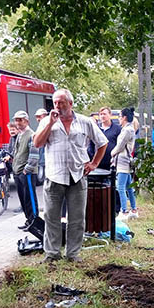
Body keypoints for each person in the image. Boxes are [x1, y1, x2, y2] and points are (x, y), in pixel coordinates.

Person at [33, 88, 108, 263]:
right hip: (54, 177)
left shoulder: (85, 121)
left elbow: (102, 143)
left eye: (61, 102)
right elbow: (37, 143)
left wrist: (94, 163)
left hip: (77, 176)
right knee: (51, 217)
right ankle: (52, 254)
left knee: (77, 219)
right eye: (55, 103)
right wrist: (50, 123)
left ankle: (72, 254)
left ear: (71, 103)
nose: (57, 106)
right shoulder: (46, 121)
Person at [12, 111, 40, 229]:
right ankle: (28, 221)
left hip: (27, 173)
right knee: (23, 198)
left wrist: (27, 170)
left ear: (26, 121)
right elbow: (17, 152)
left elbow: (34, 155)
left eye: (20, 120)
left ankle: (35, 222)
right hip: (18, 172)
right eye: (16, 120)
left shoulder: (31, 135)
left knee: (30, 199)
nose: (17, 122)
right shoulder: (19, 135)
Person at [111, 107, 138, 219]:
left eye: (120, 116)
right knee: (128, 187)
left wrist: (112, 153)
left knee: (120, 187)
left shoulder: (127, 130)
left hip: (123, 161)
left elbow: (120, 145)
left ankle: (124, 211)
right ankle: (133, 209)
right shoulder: (130, 129)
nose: (119, 119)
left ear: (124, 118)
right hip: (126, 160)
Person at [88, 106, 121, 173]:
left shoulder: (117, 129)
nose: (102, 116)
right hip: (97, 164)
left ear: (110, 115)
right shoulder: (96, 129)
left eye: (104, 114)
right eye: (101, 114)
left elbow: (120, 145)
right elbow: (91, 145)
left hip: (111, 165)